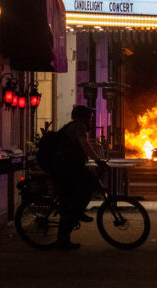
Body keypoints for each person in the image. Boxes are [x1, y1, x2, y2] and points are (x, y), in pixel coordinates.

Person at [52, 105, 102, 250]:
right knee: (88, 185)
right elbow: (84, 144)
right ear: (84, 117)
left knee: (69, 201)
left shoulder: (74, 125)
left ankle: (65, 236)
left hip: (68, 167)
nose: (91, 121)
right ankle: (77, 213)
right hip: (67, 168)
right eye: (90, 117)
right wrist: (97, 160)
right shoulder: (79, 126)